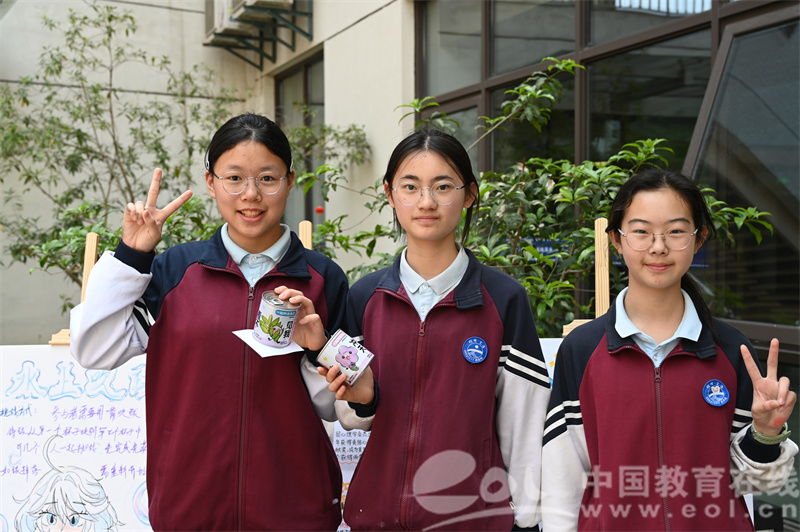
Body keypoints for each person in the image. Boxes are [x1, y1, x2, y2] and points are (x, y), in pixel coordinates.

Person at [69, 113, 348, 531]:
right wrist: (131, 255)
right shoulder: (174, 271)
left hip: (296, 509)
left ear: (289, 182)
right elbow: (93, 349)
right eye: (234, 178)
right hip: (189, 507)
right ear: (211, 182)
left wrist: (316, 347)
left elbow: (339, 405)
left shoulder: (323, 278)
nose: (251, 194)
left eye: (267, 178)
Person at [541, 167, 798, 531]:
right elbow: (561, 483)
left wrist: (765, 434)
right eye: (641, 231)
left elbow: (756, 484)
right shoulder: (582, 351)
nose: (658, 247)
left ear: (699, 238)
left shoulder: (731, 352)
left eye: (676, 231)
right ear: (616, 240)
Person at [320, 129, 550, 530]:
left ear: (470, 194)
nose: (426, 202)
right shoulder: (365, 297)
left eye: (443, 187)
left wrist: (528, 520)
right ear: (390, 195)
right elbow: (350, 415)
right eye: (410, 187)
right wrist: (363, 400)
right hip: (378, 520)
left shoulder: (503, 300)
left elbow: (524, 424)